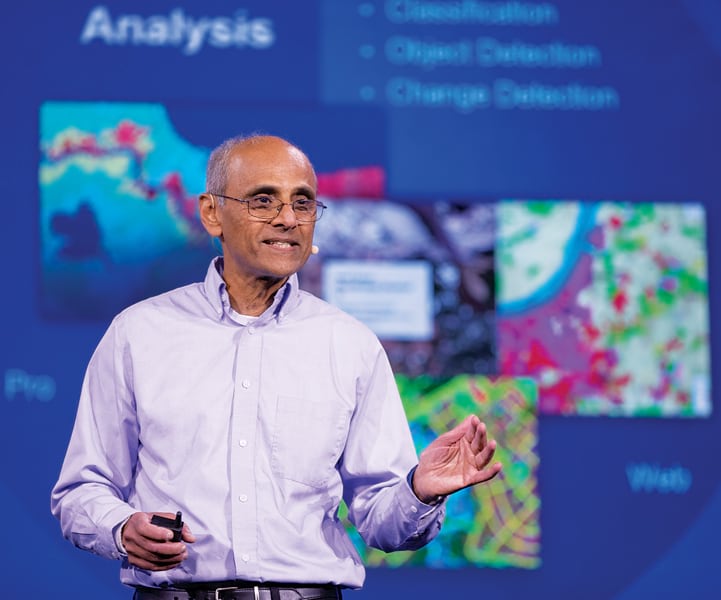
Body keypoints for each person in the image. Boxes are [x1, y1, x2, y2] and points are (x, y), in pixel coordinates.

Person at [51, 134, 502, 600]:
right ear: (211, 213)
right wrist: (124, 529)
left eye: (302, 203)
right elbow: (81, 490)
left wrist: (419, 492)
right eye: (263, 200)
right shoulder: (138, 334)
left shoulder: (350, 344)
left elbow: (384, 526)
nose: (287, 219)